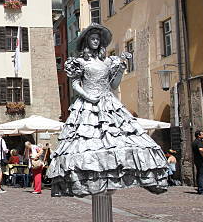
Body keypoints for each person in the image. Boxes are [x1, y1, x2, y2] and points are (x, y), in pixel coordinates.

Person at [47, 24, 168, 197]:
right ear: (87, 42)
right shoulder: (79, 62)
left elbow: (114, 84)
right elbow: (75, 84)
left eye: (98, 39)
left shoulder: (107, 62)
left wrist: (120, 68)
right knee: (87, 143)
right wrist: (88, 97)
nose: (95, 41)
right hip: (88, 105)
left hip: (109, 104)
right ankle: (90, 179)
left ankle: (113, 178)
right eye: (92, 38)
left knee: (117, 140)